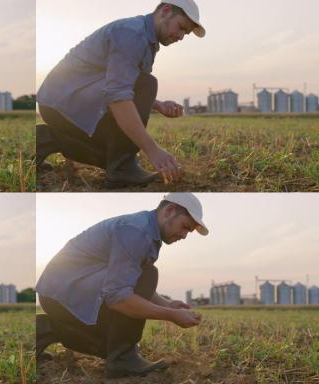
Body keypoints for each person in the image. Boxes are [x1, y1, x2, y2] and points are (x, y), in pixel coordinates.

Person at [36, 0, 206, 189]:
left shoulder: (144, 36)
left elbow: (120, 84)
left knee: (113, 153)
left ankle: (46, 139)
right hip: (62, 104)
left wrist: (158, 105)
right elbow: (118, 95)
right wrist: (153, 150)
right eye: (181, 27)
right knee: (147, 84)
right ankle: (121, 168)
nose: (181, 36)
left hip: (64, 102)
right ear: (165, 11)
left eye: (186, 33)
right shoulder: (133, 34)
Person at [36, 193, 208, 378]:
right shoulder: (137, 232)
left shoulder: (146, 230)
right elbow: (118, 296)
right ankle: (123, 359)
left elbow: (128, 281)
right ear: (169, 210)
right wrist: (170, 315)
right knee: (148, 275)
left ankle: (47, 329)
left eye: (188, 232)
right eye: (184, 227)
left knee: (110, 346)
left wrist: (166, 304)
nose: (183, 235)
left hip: (64, 291)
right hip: (61, 293)